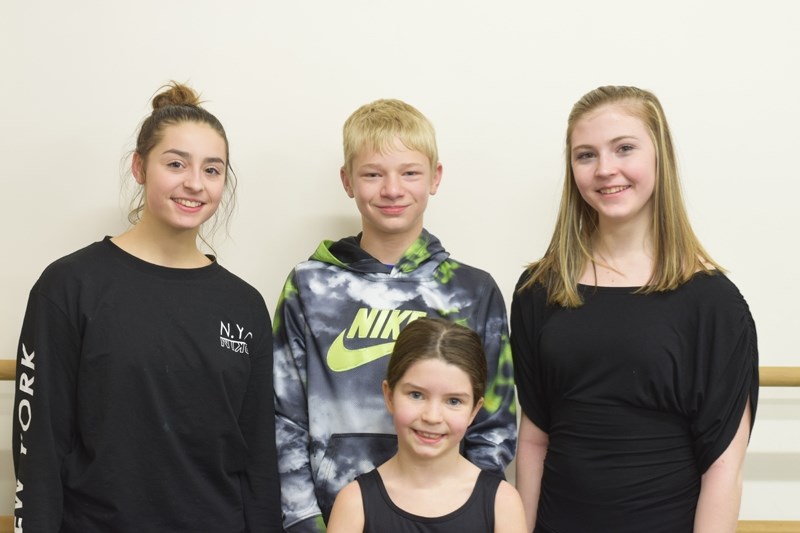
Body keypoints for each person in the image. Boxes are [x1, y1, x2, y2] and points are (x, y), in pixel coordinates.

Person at [12, 82, 281, 532]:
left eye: (212, 170)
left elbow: (258, 462)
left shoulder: (244, 306)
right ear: (139, 167)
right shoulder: (68, 287)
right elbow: (38, 450)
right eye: (176, 164)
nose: (194, 183)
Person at [510, 85, 759, 532]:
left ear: (659, 155)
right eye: (586, 155)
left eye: (624, 148)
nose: (606, 170)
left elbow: (723, 469)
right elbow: (533, 440)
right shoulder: (538, 290)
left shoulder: (714, 303)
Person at [273, 98, 517, 532]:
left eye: (409, 172)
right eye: (372, 174)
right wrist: (304, 521)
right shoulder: (308, 288)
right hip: (334, 519)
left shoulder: (472, 292)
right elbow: (283, 418)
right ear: (348, 181)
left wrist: (470, 515)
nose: (391, 189)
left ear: (434, 178)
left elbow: (493, 422)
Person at [327, 318, 527, 533]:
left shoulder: (503, 504)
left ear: (474, 411)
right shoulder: (353, 503)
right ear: (389, 396)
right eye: (416, 395)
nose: (432, 417)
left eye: (454, 401)